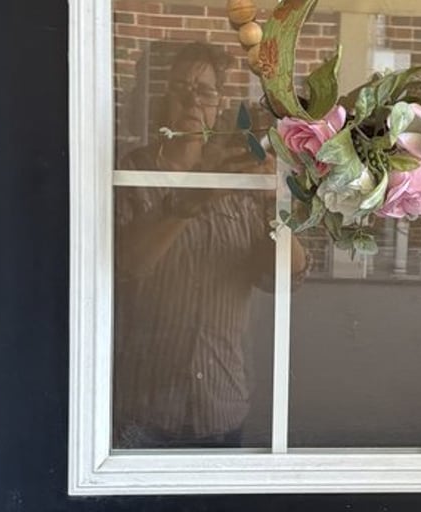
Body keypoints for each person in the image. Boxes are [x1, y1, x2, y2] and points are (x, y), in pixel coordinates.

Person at [112, 42, 307, 448]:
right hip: (145, 410)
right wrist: (192, 197)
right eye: (180, 88)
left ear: (219, 104)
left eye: (204, 90)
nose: (192, 100)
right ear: (160, 98)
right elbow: (126, 267)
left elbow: (285, 278)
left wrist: (274, 202)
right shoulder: (134, 171)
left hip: (222, 402)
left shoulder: (239, 177)